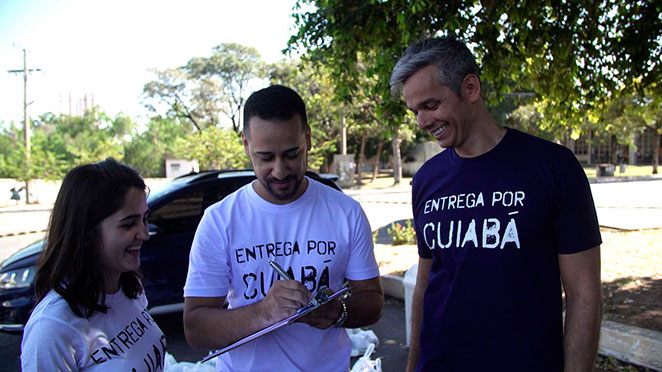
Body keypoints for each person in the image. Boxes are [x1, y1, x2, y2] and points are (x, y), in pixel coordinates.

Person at [389, 37, 602, 372]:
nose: (421, 122)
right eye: (414, 111)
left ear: (470, 88)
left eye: (430, 105)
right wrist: (413, 362)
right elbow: (426, 282)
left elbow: (584, 295)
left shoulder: (554, 168)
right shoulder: (427, 179)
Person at [183, 85, 384, 371]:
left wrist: (338, 312)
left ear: (308, 138)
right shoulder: (219, 221)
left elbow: (373, 300)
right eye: (265, 157)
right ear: (246, 145)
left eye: (292, 154)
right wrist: (264, 312)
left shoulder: (345, 212)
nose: (279, 171)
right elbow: (196, 329)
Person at [21, 158, 167, 371]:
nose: (144, 234)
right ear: (87, 232)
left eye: (145, 219)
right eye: (129, 224)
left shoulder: (130, 290)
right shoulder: (52, 327)